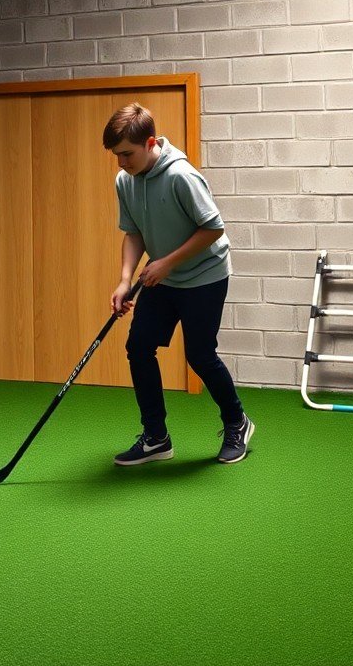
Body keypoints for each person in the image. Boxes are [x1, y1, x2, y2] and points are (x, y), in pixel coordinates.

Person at [104, 102, 253, 466]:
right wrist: (125, 280)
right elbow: (134, 231)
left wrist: (167, 263)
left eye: (127, 154)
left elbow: (213, 228)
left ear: (150, 142)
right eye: (116, 155)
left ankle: (238, 422)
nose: (121, 163)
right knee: (138, 347)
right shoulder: (126, 180)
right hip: (164, 276)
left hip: (205, 275)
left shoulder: (181, 176)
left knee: (200, 355)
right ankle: (156, 437)